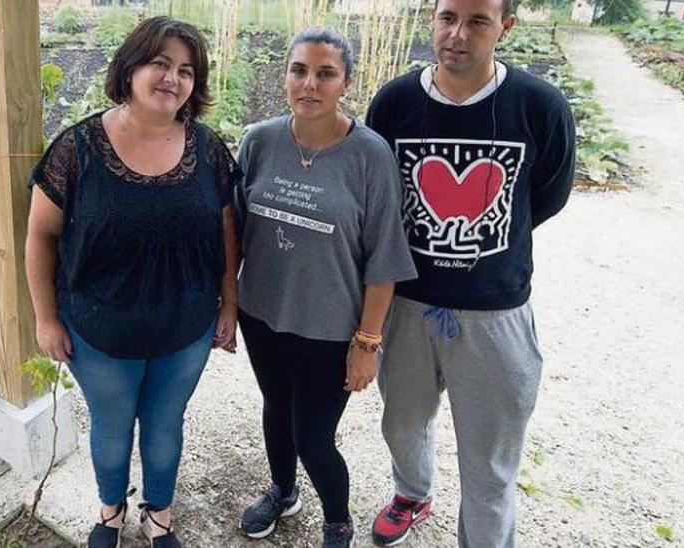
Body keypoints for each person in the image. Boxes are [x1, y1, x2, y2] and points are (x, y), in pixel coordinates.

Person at [363, 0, 576, 544]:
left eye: (477, 21)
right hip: (407, 303)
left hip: (495, 311)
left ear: (504, 27)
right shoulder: (395, 103)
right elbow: (379, 196)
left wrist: (483, 244)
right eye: (447, 17)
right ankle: (412, 492)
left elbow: (546, 196)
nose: (458, 34)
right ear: (432, 21)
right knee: (403, 422)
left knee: (491, 457)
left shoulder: (539, 106)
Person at [24, 16, 240, 548]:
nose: (173, 77)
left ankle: (159, 517)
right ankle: (110, 513)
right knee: (113, 430)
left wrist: (228, 307)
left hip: (185, 329)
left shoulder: (209, 150)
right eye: (160, 63)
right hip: (99, 332)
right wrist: (46, 318)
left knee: (165, 430)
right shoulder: (77, 150)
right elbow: (39, 236)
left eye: (186, 70)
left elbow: (228, 236)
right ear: (131, 67)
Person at [233, 28, 417, 548]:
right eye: (299, 70)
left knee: (314, 436)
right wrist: (228, 306)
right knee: (275, 409)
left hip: (331, 328)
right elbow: (234, 233)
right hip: (262, 315)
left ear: (346, 83)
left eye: (325, 73)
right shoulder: (260, 140)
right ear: (286, 75)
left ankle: (338, 519)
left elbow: (385, 258)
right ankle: (283, 490)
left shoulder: (370, 155)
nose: (309, 84)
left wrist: (367, 344)